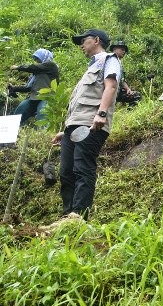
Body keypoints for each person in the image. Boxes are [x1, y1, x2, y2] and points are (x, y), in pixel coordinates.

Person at [52, 29, 120, 220]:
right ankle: (67, 218)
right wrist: (66, 131)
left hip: (93, 124)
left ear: (97, 40)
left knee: (82, 168)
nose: (82, 45)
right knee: (66, 172)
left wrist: (101, 113)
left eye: (84, 40)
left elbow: (111, 86)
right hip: (76, 126)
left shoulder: (109, 59)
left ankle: (79, 216)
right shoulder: (90, 68)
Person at [7, 48, 60, 125]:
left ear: (44, 57)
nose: (36, 61)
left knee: (43, 117)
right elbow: (28, 88)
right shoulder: (36, 74)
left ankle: (43, 136)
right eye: (35, 59)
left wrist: (18, 67)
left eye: (38, 58)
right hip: (33, 97)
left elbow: (33, 67)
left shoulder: (51, 66)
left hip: (46, 97)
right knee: (18, 115)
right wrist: (14, 88)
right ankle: (11, 134)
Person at [110, 42, 142, 107]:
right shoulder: (109, 60)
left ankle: (131, 115)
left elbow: (122, 80)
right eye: (122, 49)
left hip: (116, 91)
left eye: (125, 50)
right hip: (106, 91)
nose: (124, 52)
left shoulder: (119, 63)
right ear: (114, 49)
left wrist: (128, 89)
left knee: (136, 95)